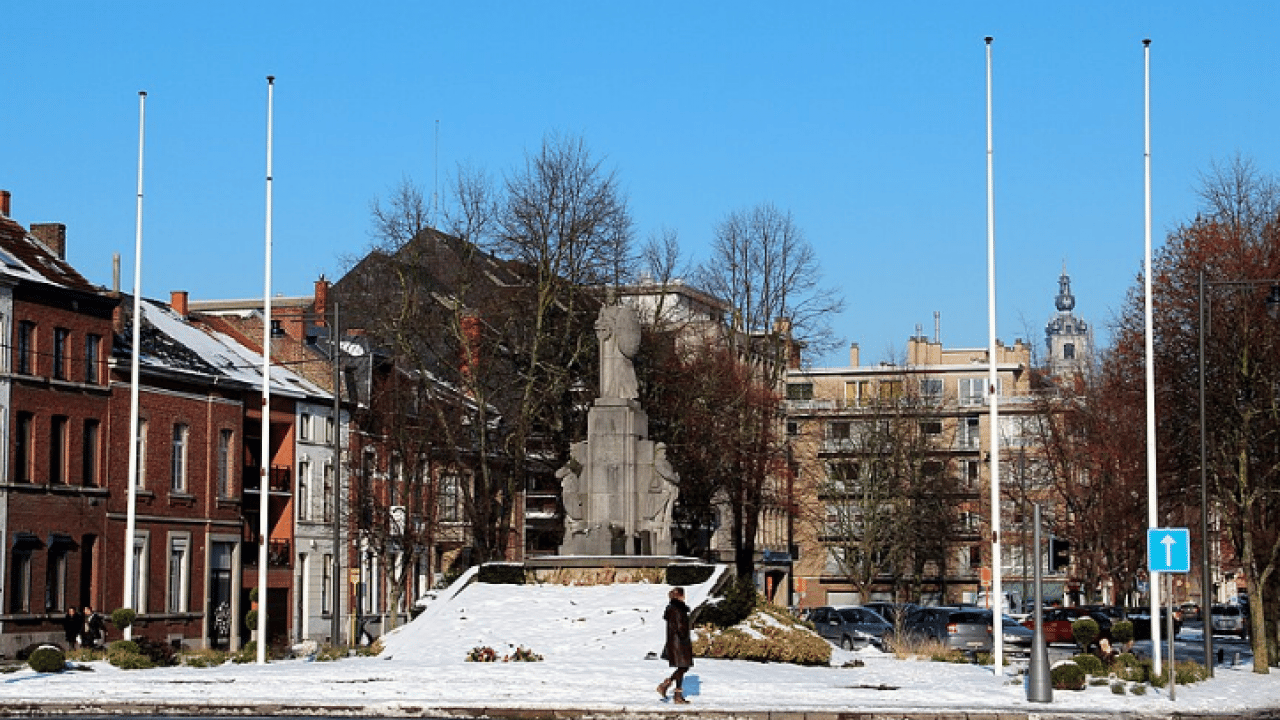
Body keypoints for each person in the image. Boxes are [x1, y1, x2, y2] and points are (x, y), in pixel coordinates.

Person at [657, 587, 693, 704]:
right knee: (683, 667)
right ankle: (666, 685)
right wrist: (684, 635)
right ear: (680, 596)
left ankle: (677, 695)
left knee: (682, 667)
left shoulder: (673, 608)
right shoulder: (678, 609)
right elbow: (680, 626)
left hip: (675, 642)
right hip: (680, 643)